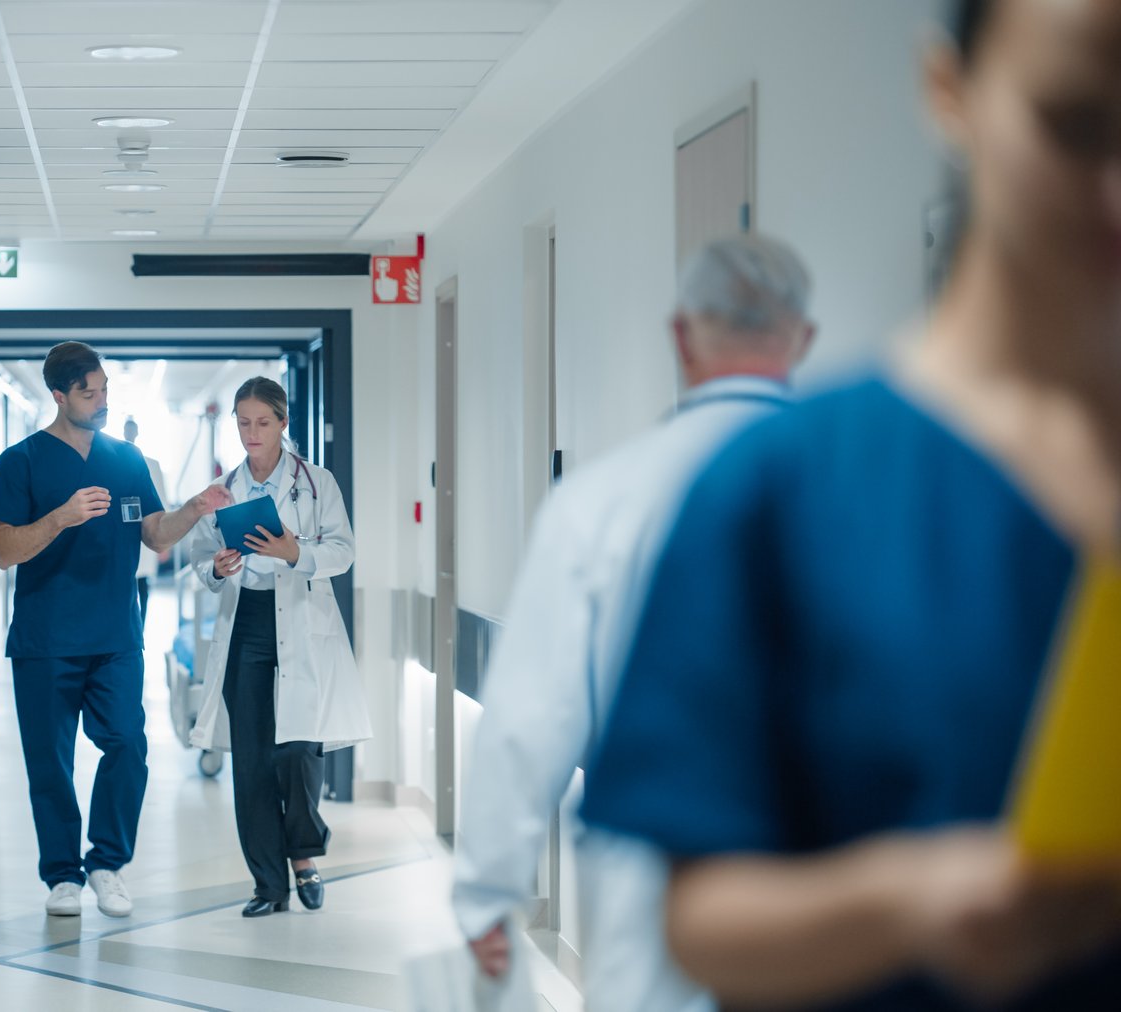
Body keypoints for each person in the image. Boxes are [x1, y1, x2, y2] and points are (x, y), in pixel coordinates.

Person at [582, 1, 1121, 1008]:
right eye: (1078, 124)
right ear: (949, 93)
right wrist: (908, 903)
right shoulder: (787, 491)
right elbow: (698, 915)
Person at [450, 235, 816, 1010]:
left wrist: (489, 888)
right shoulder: (875, 495)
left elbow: (529, 716)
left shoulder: (600, 501)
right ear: (803, 340)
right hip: (833, 900)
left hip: (655, 894)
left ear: (681, 335)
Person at [0, 342, 231, 919]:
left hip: (116, 634)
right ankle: (62, 876)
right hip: (46, 640)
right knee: (51, 762)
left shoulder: (126, 460)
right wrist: (60, 517)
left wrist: (193, 508)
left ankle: (107, 863)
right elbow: (1, 549)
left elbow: (156, 533)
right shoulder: (20, 462)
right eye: (88, 393)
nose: (99, 401)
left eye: (103, 391)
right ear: (59, 396)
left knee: (127, 744)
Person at [181, 377, 370, 918]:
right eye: (243, 422)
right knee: (253, 762)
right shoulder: (223, 488)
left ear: (283, 423)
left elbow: (344, 550)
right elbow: (200, 551)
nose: (252, 433)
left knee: (298, 752)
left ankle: (304, 855)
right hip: (247, 624)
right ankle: (269, 884)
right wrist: (214, 567)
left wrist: (295, 552)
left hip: (301, 622)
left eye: (262, 422)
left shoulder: (317, 483)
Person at [124, 417, 171, 629]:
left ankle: (140, 627)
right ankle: (128, 626)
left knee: (143, 583)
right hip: (125, 531)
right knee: (126, 581)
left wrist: (166, 542)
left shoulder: (151, 464)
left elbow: (161, 500)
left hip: (149, 527)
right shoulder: (116, 460)